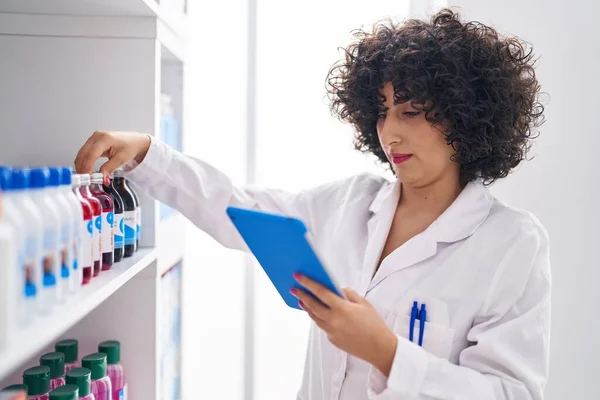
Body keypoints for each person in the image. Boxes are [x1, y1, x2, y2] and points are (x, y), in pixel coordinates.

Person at [75, 8, 550, 400]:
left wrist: (388, 353)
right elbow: (234, 208)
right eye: (381, 111)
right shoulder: (349, 204)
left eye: (410, 111)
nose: (391, 132)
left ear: (466, 118)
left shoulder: (510, 244)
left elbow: (510, 393)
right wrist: (147, 154)